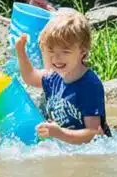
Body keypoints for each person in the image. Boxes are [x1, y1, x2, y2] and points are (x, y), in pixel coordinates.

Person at [14, 8, 109, 144]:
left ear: (82, 51)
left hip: (90, 151)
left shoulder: (89, 85)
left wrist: (59, 133)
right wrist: (20, 51)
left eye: (65, 51)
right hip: (65, 143)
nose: (57, 58)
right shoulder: (54, 77)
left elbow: (93, 133)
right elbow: (30, 77)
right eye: (51, 50)